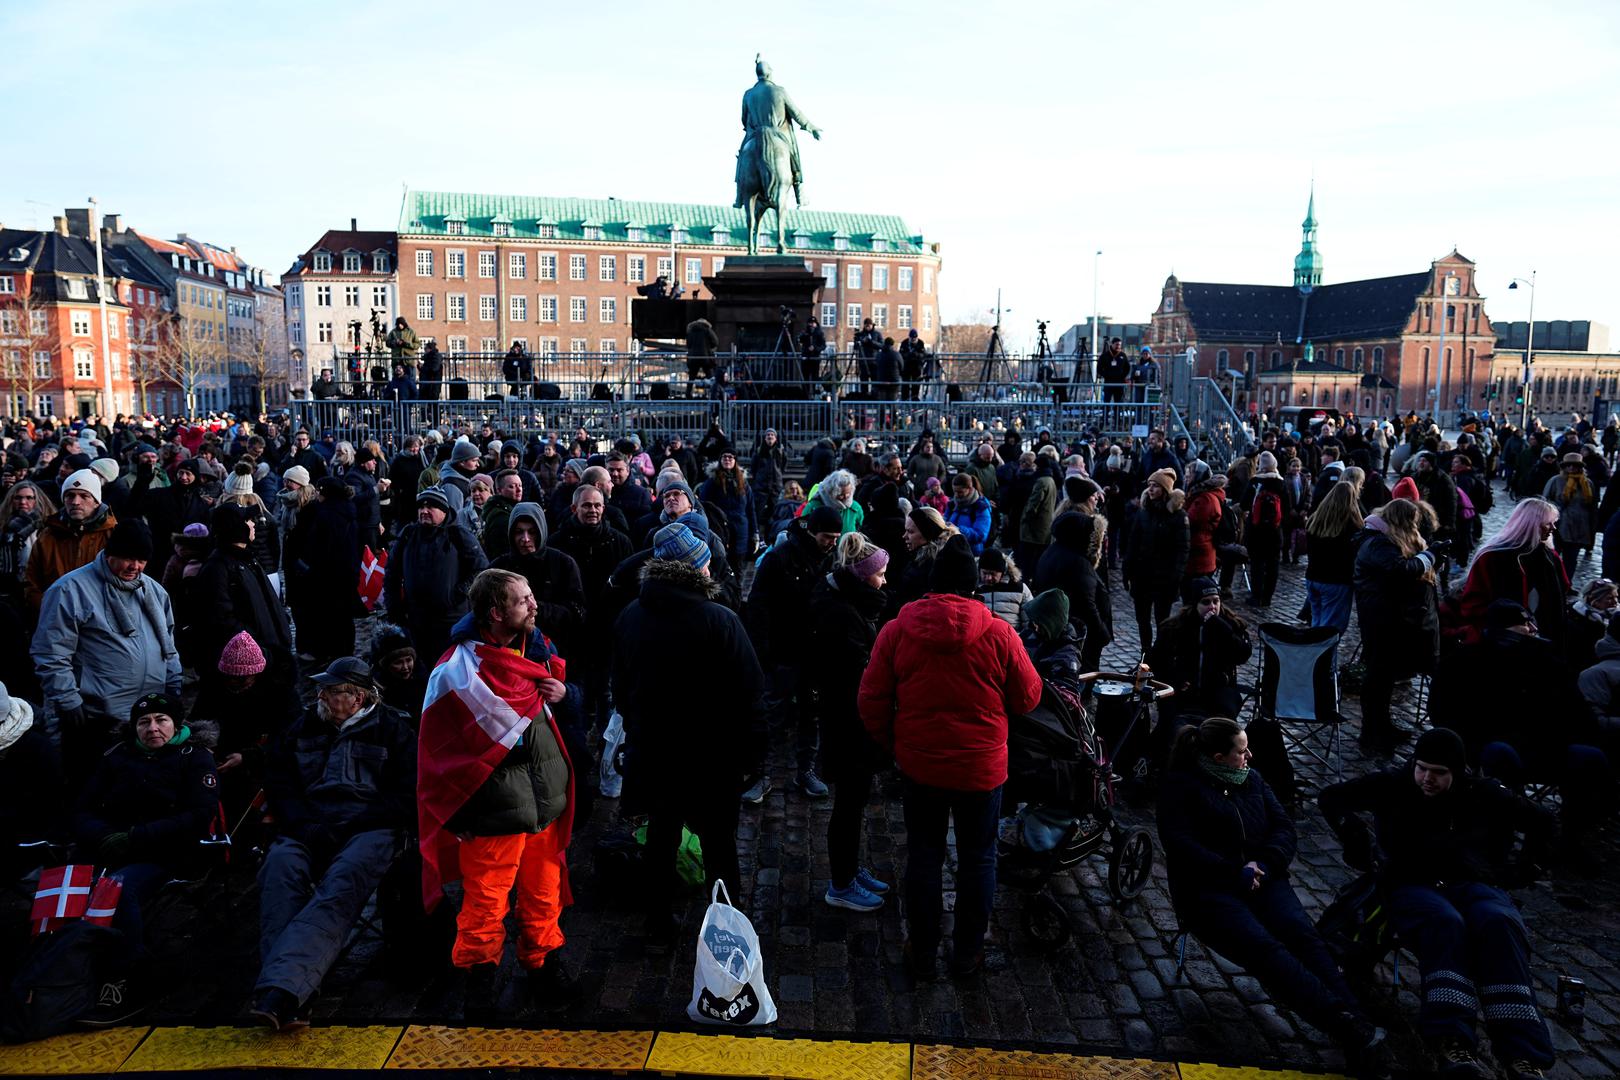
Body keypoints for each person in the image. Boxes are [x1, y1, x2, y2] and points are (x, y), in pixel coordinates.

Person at [1321, 729, 1557, 1080]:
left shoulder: (1482, 792)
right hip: (1411, 882)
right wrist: (1355, 839)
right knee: (1446, 924)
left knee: (1499, 923)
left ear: (1457, 772)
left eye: (1439, 773)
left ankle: (1522, 1054)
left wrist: (1525, 868)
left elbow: (1544, 820)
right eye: (1422, 769)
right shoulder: (1394, 784)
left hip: (1471, 882)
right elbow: (1332, 798)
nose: (1427, 779)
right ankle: (1452, 1041)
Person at [858, 535, 1041, 978]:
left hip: (921, 765)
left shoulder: (898, 629)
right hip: (981, 768)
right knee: (979, 858)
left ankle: (922, 950)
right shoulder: (1000, 632)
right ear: (974, 586)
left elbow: (871, 699)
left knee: (924, 854)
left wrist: (896, 744)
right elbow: (1029, 696)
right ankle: (967, 953)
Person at [1157, 718, 1384, 1068]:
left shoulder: (1253, 779)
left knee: (1303, 936)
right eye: (1240, 751)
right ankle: (1342, 1022)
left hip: (1264, 878)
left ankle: (1354, 1017)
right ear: (1219, 757)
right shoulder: (1180, 788)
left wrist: (1263, 863)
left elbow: (1283, 827)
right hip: (1211, 892)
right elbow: (1182, 846)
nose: (1249, 754)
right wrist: (1235, 872)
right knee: (1267, 950)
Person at [417, 570, 576, 1020]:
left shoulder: (537, 650)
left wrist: (564, 694)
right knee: (485, 902)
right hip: (494, 814)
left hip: (541, 805)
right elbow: (441, 752)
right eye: (523, 600)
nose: (534, 605)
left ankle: (542, 966)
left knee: (543, 894)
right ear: (496, 612)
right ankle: (479, 983)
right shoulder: (456, 672)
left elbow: (559, 715)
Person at [612, 524, 766, 945]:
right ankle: (726, 928)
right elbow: (750, 692)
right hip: (711, 758)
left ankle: (658, 922)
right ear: (698, 567)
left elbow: (620, 689)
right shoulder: (720, 619)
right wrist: (752, 756)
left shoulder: (630, 615)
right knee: (719, 844)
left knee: (662, 836)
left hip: (655, 751)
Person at [251, 660, 416, 1030]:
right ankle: (291, 989)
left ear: (357, 697)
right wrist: (305, 826)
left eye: (331, 690)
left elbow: (406, 794)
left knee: (341, 884)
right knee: (279, 869)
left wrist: (359, 822)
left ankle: (282, 990)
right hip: (309, 825)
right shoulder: (303, 726)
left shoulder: (393, 729)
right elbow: (280, 786)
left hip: (369, 827)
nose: (321, 696)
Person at [73, 694, 220, 1025]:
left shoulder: (194, 758)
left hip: (169, 852)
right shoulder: (116, 757)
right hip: (111, 847)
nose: (153, 728)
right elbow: (82, 809)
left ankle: (126, 977)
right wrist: (104, 836)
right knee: (66, 884)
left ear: (176, 724)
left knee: (118, 890)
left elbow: (199, 814)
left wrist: (137, 836)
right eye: (144, 722)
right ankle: (65, 971)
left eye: (161, 720)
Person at [34, 520, 181, 788]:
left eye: (141, 560)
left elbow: (168, 646)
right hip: (97, 720)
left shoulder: (154, 591)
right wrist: (68, 700)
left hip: (147, 719)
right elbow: (51, 654)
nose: (134, 567)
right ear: (110, 553)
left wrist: (174, 686)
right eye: (127, 558)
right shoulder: (70, 590)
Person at [806, 533, 892, 912]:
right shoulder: (840, 611)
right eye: (881, 574)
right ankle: (840, 882)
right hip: (847, 722)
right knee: (847, 804)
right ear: (862, 576)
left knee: (854, 803)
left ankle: (850, 869)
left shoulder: (849, 603)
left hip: (851, 718)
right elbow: (851, 672)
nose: (885, 581)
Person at [745, 504, 842, 801]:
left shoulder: (834, 558)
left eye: (836, 537)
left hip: (815, 653)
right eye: (827, 536)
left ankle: (806, 771)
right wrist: (762, 651)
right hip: (782, 650)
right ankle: (761, 774)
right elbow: (758, 605)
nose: (832, 543)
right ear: (812, 531)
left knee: (810, 715)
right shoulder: (780, 557)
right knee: (772, 714)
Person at [1353, 498, 1439, 755]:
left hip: (1389, 618)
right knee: (1377, 678)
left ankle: (1382, 725)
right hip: (1380, 620)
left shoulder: (1380, 540)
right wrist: (1429, 556)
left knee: (1385, 677)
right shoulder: (1377, 542)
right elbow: (1399, 570)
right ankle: (1371, 733)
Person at [384, 487, 489, 669]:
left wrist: (456, 594)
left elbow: (481, 569)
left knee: (451, 668)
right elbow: (392, 572)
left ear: (444, 511)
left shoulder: (458, 534)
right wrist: (394, 607)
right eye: (421, 507)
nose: (424, 511)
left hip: (451, 620)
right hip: (416, 619)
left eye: (431, 506)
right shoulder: (409, 534)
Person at [1453, 498, 1569, 650]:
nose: (1553, 528)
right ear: (1532, 525)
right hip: (1500, 639)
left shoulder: (1550, 557)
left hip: (1543, 636)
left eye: (1554, 523)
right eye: (1548, 523)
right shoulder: (1493, 556)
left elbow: (1563, 591)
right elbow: (1474, 601)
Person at [1144, 579, 1252, 728]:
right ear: (1195, 604)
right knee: (1171, 721)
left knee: (1223, 722)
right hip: (1184, 689)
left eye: (1216, 601)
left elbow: (1243, 654)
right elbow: (1157, 660)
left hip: (1218, 689)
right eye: (1206, 602)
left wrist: (1224, 630)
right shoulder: (1175, 627)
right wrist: (1176, 678)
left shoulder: (1231, 624)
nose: (1212, 607)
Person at [24, 468, 118, 615]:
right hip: (54, 618)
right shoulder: (48, 535)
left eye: (84, 496)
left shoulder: (113, 535)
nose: (75, 502)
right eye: (69, 496)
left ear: (96, 501)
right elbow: (31, 581)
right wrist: (47, 609)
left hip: (100, 622)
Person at [1032, 510, 1111, 675]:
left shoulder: (1053, 551)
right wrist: (1102, 632)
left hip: (1062, 627)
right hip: (1079, 633)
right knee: (1084, 675)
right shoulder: (1078, 563)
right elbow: (1087, 604)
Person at [1123, 469, 1189, 653]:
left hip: (1164, 578)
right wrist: (1126, 571)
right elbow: (1133, 544)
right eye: (1149, 486)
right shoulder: (1143, 513)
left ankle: (1160, 654)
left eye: (1156, 486)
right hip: (1142, 576)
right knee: (1142, 619)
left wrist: (1175, 578)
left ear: (1165, 489)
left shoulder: (1178, 515)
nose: (1150, 490)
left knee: (1163, 619)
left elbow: (1182, 550)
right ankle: (1145, 652)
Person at [1304, 482, 1364, 632]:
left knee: (1317, 623)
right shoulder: (1351, 525)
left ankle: (1314, 654)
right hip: (1336, 581)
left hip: (1313, 577)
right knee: (1329, 631)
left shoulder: (1316, 520)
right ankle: (1321, 655)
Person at [1241, 451, 1288, 607]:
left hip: (1256, 530)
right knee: (1273, 565)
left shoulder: (1255, 481)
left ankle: (1256, 596)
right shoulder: (1281, 483)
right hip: (1275, 531)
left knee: (1257, 564)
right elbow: (1288, 507)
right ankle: (1267, 597)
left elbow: (1244, 504)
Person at [1541, 453, 1596, 580]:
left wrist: (1592, 528)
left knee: (1571, 560)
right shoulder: (1555, 481)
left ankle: (1567, 583)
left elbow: (1592, 507)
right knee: (1552, 557)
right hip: (1558, 527)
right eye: (1568, 465)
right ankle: (1550, 583)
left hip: (1579, 528)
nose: (1571, 468)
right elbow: (1545, 502)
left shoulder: (1587, 484)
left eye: (1575, 465)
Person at [698, 450, 757, 561]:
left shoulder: (743, 483)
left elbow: (750, 509)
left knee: (739, 563)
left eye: (730, 457)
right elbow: (703, 505)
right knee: (722, 562)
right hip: (719, 527)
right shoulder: (712, 482)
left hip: (740, 528)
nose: (727, 459)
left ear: (735, 461)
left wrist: (755, 532)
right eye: (724, 457)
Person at [0, 480, 52, 604]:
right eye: (18, 498)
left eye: (29, 498)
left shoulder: (46, 526)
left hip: (38, 586)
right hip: (9, 588)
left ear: (36, 500)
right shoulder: (4, 526)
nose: (23, 502)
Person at [976, 547, 1032, 630]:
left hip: (1012, 638)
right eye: (984, 573)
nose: (988, 578)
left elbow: (1029, 621)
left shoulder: (1020, 589)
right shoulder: (973, 589)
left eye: (992, 574)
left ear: (1003, 572)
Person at [944, 473, 992, 556]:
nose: (956, 495)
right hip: (952, 551)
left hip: (972, 554)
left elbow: (981, 535)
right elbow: (945, 519)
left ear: (969, 489)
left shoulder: (981, 507)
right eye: (954, 492)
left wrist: (958, 530)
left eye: (960, 492)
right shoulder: (952, 504)